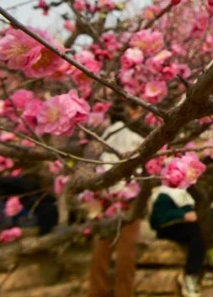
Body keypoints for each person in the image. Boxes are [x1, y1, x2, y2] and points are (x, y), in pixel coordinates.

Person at [89, 108, 146, 297]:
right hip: (129, 198)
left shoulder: (103, 137)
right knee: (126, 254)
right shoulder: (134, 136)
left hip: (106, 199)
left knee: (102, 252)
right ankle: (124, 293)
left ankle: (97, 292)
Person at [149, 186, 213, 297]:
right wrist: (182, 216)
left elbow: (200, 208)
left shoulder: (191, 191)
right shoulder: (164, 195)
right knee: (200, 231)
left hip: (191, 224)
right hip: (171, 228)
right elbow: (156, 220)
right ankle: (191, 276)